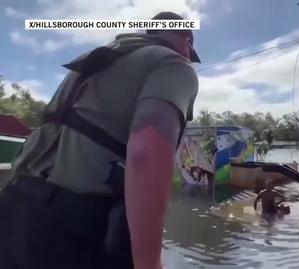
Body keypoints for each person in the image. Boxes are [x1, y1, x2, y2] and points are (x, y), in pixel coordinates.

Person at [0, 11, 199, 269]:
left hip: (13, 204)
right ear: (186, 43)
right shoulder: (174, 65)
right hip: (73, 227)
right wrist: (148, 263)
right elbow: (146, 154)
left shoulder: (98, 61)